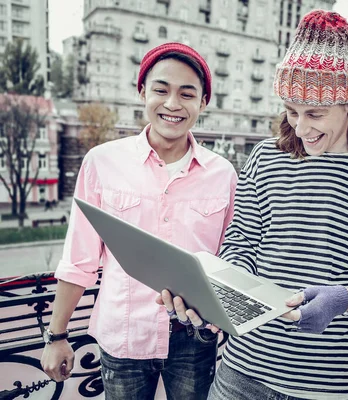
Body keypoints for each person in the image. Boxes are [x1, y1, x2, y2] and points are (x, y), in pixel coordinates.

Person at [160, 10, 348, 400]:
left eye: (314, 113)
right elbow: (242, 244)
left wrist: (345, 299)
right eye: (291, 111)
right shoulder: (264, 159)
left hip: (330, 387)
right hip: (241, 374)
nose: (300, 127)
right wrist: (214, 294)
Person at [41, 43, 237, 400]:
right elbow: (79, 259)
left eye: (187, 94)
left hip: (195, 337)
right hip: (123, 335)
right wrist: (56, 336)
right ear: (142, 92)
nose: (173, 104)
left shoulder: (223, 174)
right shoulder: (102, 162)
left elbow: (231, 260)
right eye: (161, 90)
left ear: (203, 102)